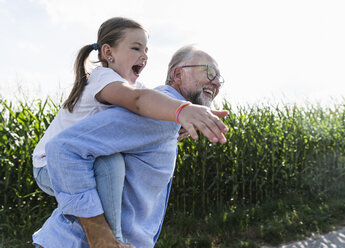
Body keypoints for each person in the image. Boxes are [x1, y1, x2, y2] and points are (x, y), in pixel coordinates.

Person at [32, 17, 228, 244]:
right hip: (47, 164)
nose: (217, 82)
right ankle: (108, 238)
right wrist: (181, 110)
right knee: (109, 164)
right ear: (177, 75)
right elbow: (62, 148)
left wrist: (179, 122)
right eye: (209, 72)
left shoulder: (157, 109)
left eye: (220, 77)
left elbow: (146, 99)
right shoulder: (108, 81)